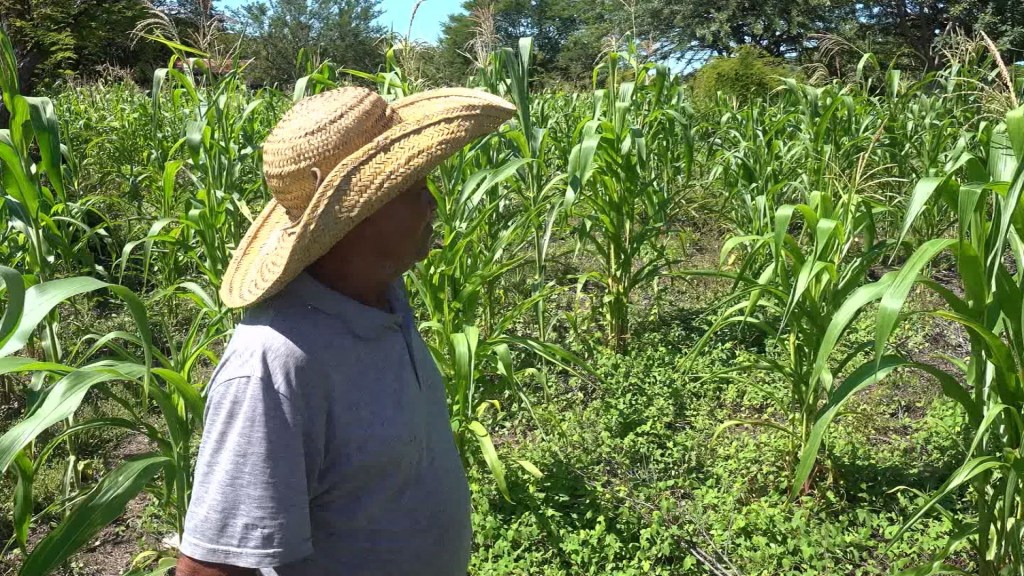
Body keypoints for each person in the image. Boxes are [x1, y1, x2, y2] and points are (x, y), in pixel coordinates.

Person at [174, 87, 515, 576]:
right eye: (415, 186)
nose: (433, 202)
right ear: (357, 217)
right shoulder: (274, 362)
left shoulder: (382, 295)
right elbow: (211, 570)